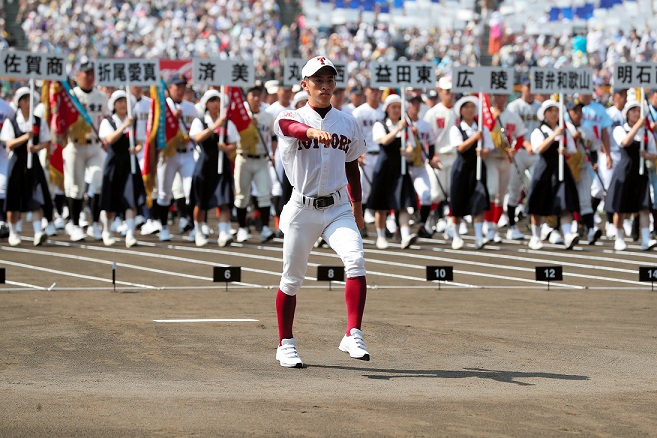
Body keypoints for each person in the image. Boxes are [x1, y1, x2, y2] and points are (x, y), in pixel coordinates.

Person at [272, 56, 369, 368]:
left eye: (329, 80)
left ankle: (352, 332)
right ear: (305, 85)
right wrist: (310, 132)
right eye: (317, 81)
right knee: (292, 279)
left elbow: (352, 165)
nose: (324, 86)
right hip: (303, 207)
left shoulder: (347, 122)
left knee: (355, 260)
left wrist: (357, 206)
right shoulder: (290, 115)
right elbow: (288, 127)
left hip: (338, 205)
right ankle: (285, 342)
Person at [64, 56, 108, 242]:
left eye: (92, 73)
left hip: (95, 145)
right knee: (76, 187)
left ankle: (95, 224)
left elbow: (106, 118)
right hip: (75, 145)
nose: (89, 77)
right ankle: (74, 224)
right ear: (78, 75)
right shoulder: (71, 95)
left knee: (98, 182)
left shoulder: (102, 96)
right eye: (86, 73)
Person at [526, 100, 580, 251]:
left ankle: (568, 234)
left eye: (556, 110)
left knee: (565, 202)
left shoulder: (564, 130)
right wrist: (554, 136)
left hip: (561, 169)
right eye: (550, 111)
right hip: (544, 170)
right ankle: (536, 236)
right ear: (544, 114)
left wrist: (566, 151)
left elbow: (572, 150)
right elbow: (539, 148)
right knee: (538, 203)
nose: (554, 113)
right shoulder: (539, 131)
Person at [0, 87, 51, 246]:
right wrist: (25, 137)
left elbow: (45, 141)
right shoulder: (12, 121)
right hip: (16, 161)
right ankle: (14, 232)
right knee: (13, 196)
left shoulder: (38, 121)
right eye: (24, 100)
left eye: (29, 100)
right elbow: (9, 143)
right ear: (19, 103)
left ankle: (38, 231)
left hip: (33, 161)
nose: (28, 103)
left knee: (36, 194)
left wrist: (37, 148)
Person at [368, 94, 418, 250]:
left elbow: (411, 146)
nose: (396, 110)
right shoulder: (380, 125)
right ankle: (381, 236)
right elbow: (383, 141)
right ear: (387, 109)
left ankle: (405, 235)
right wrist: (398, 129)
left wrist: (408, 152)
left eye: (399, 107)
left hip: (400, 168)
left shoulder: (405, 125)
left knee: (403, 203)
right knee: (381, 205)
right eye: (394, 107)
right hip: (384, 168)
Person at [189, 90, 239, 247]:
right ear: (206, 104)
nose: (215, 104)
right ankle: (198, 231)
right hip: (204, 164)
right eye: (212, 101)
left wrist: (226, 148)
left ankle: (224, 232)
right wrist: (214, 127)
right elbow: (197, 138)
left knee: (224, 199)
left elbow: (235, 144)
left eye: (217, 100)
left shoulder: (227, 123)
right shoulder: (200, 122)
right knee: (200, 201)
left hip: (221, 163)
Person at [151, 74, 198, 241]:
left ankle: (194, 227)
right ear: (169, 88)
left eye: (182, 86)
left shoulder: (191, 108)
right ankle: (163, 227)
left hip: (187, 153)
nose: (180, 90)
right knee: (164, 193)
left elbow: (196, 129)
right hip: (168, 155)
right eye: (176, 86)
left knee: (190, 190)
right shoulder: (162, 107)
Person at [97, 90, 146, 248]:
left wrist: (137, 149)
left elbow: (140, 142)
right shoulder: (108, 122)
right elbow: (109, 139)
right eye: (119, 102)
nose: (123, 105)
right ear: (114, 105)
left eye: (125, 101)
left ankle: (130, 234)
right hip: (113, 163)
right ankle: (107, 230)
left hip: (129, 162)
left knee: (131, 198)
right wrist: (124, 126)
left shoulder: (135, 122)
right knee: (110, 199)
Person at [606, 100, 657, 251]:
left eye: (639, 110)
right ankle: (619, 237)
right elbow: (625, 142)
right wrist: (637, 127)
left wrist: (646, 155)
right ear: (627, 113)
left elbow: (654, 154)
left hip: (641, 173)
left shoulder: (646, 133)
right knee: (620, 208)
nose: (636, 113)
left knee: (644, 208)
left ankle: (646, 239)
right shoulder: (620, 129)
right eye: (633, 110)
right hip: (624, 172)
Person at [448, 95, 494, 250]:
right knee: (458, 201)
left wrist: (484, 151)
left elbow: (489, 148)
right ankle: (456, 236)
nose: (469, 110)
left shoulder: (483, 128)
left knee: (479, 201)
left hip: (478, 168)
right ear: (460, 111)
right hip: (461, 169)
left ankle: (479, 237)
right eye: (466, 107)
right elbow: (460, 148)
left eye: (472, 107)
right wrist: (475, 138)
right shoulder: (457, 128)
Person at [235, 85, 276, 244]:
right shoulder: (241, 114)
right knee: (242, 195)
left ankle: (265, 228)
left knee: (265, 194)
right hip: (243, 157)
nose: (257, 98)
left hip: (261, 158)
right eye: (253, 95)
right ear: (247, 96)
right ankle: (242, 228)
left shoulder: (267, 116)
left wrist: (273, 153)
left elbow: (273, 137)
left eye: (259, 95)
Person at [504, 75, 541, 240]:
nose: (530, 89)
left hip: (536, 153)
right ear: (522, 88)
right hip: (517, 151)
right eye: (527, 86)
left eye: (533, 86)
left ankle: (537, 225)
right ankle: (512, 225)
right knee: (513, 190)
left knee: (536, 186)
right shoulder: (514, 107)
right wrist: (525, 144)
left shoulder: (540, 107)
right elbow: (514, 131)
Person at [565, 98, 602, 245]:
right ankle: (567, 228)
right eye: (575, 110)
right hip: (567, 169)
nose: (578, 113)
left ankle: (591, 230)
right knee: (568, 200)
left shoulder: (587, 131)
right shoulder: (565, 129)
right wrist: (572, 139)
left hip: (582, 168)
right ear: (568, 112)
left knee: (585, 200)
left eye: (580, 110)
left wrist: (594, 162)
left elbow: (593, 149)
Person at [423, 76, 456, 236]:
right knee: (436, 193)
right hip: (438, 156)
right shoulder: (432, 113)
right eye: (447, 91)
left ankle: (450, 224)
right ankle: (430, 217)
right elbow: (427, 137)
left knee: (453, 192)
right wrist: (432, 156)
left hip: (455, 156)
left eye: (452, 91)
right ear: (440, 92)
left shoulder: (459, 110)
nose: (451, 94)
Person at [406, 93, 439, 238]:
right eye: (412, 102)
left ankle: (422, 226)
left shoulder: (425, 125)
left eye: (418, 103)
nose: (415, 106)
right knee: (402, 198)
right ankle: (396, 227)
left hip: (419, 165)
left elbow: (431, 143)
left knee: (426, 194)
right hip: (403, 166)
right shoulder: (402, 122)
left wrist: (431, 158)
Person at [352, 83, 384, 227]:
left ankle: (386, 223)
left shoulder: (385, 110)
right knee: (364, 191)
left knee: (382, 189)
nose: (376, 93)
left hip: (383, 154)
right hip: (366, 155)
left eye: (378, 90)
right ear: (366, 91)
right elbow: (353, 134)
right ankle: (360, 221)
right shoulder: (359, 112)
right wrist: (357, 153)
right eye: (373, 90)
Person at [0, 90, 16, 239]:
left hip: (2, 151)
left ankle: (2, 220)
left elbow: (13, 124)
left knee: (4, 185)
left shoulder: (6, 108)